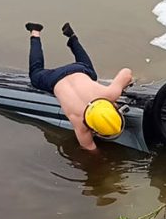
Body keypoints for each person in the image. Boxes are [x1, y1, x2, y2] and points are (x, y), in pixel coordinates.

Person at [26, 22, 133, 151]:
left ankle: (42, 33)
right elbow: (89, 148)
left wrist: (123, 85)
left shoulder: (109, 94)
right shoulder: (80, 123)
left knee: (89, 71)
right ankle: (53, 35)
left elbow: (126, 72)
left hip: (77, 70)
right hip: (54, 79)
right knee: (35, 74)